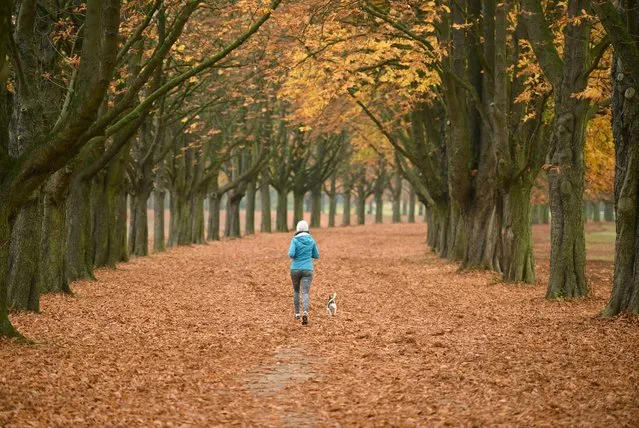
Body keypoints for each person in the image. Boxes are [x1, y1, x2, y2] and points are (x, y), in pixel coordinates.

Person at [288, 220, 320, 325]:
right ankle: (305, 312)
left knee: (296, 291)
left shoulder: (294, 240)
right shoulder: (311, 240)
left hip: (295, 269)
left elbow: (291, 254)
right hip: (308, 269)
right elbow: (316, 255)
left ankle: (297, 314)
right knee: (305, 292)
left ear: (297, 229)